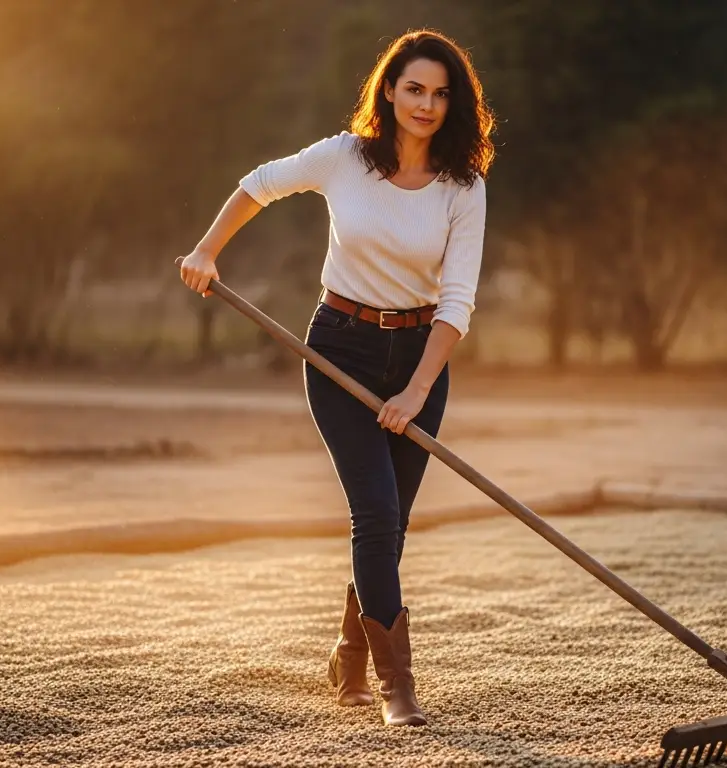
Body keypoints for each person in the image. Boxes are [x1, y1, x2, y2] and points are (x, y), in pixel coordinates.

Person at [175, 29, 494, 727]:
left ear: (455, 103)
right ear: (388, 88)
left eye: (441, 94)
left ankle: (350, 656)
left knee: (391, 525)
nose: (426, 104)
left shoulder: (463, 188)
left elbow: (457, 301)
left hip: (420, 362)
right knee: (375, 514)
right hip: (339, 352)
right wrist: (206, 250)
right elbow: (258, 186)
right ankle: (397, 688)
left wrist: (414, 392)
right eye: (414, 88)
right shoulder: (344, 158)